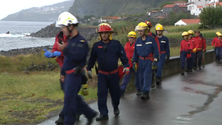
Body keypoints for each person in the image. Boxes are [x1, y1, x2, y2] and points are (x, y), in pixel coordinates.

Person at [56, 11, 97, 125]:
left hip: (75, 75)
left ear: (71, 26)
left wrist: (65, 50)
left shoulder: (81, 41)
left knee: (69, 103)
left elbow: (80, 57)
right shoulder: (70, 40)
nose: (62, 30)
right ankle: (89, 113)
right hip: (68, 76)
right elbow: (68, 60)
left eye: (63, 27)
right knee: (73, 98)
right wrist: (63, 73)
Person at [87, 23, 129, 121]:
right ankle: (103, 113)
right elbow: (92, 59)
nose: (104, 35)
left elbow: (123, 57)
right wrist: (89, 69)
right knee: (101, 94)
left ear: (109, 33)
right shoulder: (96, 46)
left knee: (115, 94)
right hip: (102, 75)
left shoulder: (116, 44)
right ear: (100, 34)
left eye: (106, 33)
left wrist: (126, 66)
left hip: (114, 74)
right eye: (102, 33)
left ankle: (115, 107)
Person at [133, 22, 159, 100]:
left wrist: (155, 60)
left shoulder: (151, 39)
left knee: (147, 76)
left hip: (148, 61)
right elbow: (135, 53)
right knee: (140, 76)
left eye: (141, 31)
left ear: (145, 31)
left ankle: (145, 92)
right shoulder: (137, 41)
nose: (139, 32)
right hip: (140, 61)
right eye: (139, 31)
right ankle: (141, 90)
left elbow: (156, 51)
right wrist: (134, 62)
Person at [120, 31, 140, 96]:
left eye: (131, 38)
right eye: (129, 38)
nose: (130, 39)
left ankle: (139, 90)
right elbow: (124, 53)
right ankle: (122, 90)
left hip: (136, 64)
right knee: (126, 77)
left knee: (137, 77)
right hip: (128, 64)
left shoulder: (137, 44)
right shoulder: (126, 44)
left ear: (134, 38)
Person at [145, 21, 160, 89]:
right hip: (144, 57)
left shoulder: (153, 36)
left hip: (152, 56)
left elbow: (157, 46)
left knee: (152, 70)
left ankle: (152, 82)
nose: (147, 28)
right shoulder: (142, 36)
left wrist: (156, 56)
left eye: (148, 26)